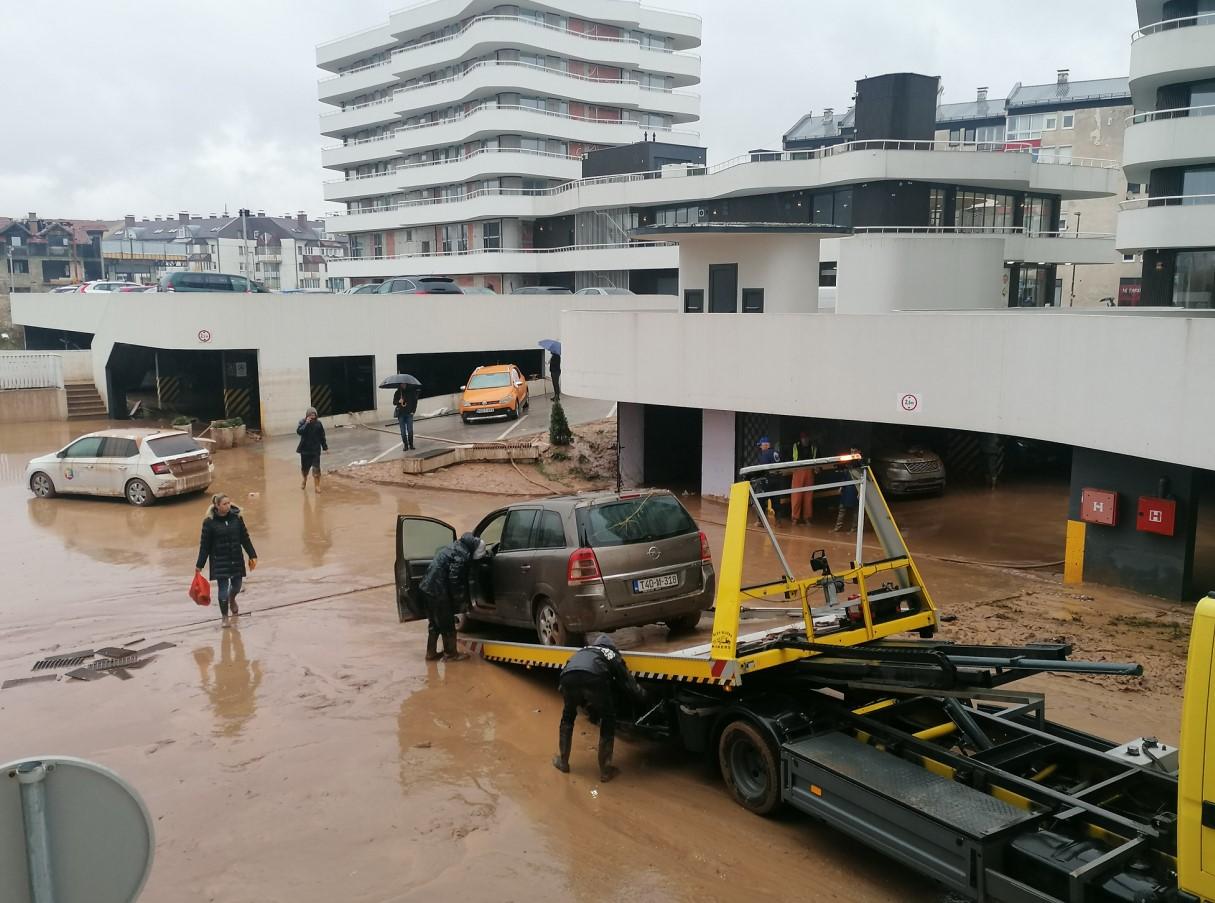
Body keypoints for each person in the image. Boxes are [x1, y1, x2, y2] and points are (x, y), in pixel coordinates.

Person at [552, 634, 648, 782]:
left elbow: (565, 674)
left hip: (568, 678)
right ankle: (605, 771)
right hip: (594, 678)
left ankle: (563, 762)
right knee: (608, 718)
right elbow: (628, 683)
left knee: (568, 717)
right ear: (611, 647)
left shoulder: (582, 651)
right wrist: (644, 697)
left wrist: (569, 694)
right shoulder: (610, 653)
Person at [417, 532, 485, 662]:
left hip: (427, 588)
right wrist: (457, 600)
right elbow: (454, 579)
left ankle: (430, 653)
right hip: (438, 592)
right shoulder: (462, 555)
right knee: (447, 624)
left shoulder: (456, 546)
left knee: (434, 624)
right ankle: (451, 655)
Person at [195, 492, 258, 626]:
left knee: (237, 585)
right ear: (217, 506)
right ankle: (224, 617)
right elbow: (204, 546)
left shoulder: (237, 518)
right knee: (222, 589)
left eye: (229, 503)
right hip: (219, 560)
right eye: (224, 504)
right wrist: (199, 565)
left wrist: (252, 555)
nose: (228, 506)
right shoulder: (209, 523)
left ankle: (232, 599)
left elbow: (245, 538)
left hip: (236, 558)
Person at [751, 436, 782, 526]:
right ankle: (779, 521)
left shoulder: (765, 453)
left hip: (767, 480)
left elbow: (763, 468)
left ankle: (760, 521)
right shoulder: (776, 453)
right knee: (776, 500)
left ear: (766, 445)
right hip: (777, 480)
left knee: (760, 500)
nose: (760, 447)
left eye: (761, 445)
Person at [296, 407, 328, 493]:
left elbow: (322, 436)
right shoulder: (302, 422)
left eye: (314, 414)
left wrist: (325, 447)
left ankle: (317, 486)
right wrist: (306, 423)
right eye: (311, 414)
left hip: (315, 450)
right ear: (307, 415)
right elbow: (299, 432)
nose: (312, 416)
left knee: (316, 469)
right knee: (305, 469)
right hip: (305, 451)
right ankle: (304, 480)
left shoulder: (318, 424)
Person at [790, 431, 818, 525]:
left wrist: (816, 468)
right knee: (796, 496)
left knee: (808, 497)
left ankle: (807, 517)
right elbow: (793, 459)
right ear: (800, 439)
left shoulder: (813, 447)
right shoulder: (796, 446)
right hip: (798, 471)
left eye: (806, 438)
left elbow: (817, 459)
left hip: (809, 472)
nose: (805, 440)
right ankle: (795, 518)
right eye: (803, 438)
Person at [833, 448, 862, 533]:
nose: (852, 453)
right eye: (851, 451)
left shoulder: (861, 462)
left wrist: (860, 491)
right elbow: (845, 474)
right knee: (842, 508)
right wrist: (841, 487)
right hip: (846, 488)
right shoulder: (848, 460)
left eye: (854, 451)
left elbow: (862, 478)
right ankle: (838, 527)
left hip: (855, 488)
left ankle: (854, 529)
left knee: (856, 510)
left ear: (859, 451)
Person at [393, 384, 419, 451]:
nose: (403, 385)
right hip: (401, 414)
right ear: (400, 384)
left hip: (409, 414)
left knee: (410, 430)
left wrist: (413, 411)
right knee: (403, 431)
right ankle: (405, 445)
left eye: (404, 383)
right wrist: (399, 401)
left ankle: (411, 444)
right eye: (402, 384)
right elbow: (394, 402)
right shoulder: (398, 392)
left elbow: (415, 401)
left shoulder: (411, 391)